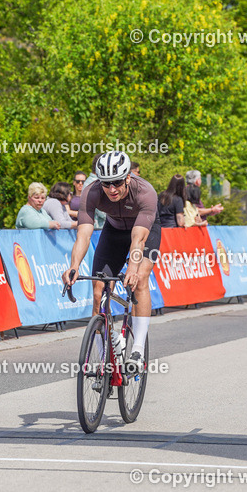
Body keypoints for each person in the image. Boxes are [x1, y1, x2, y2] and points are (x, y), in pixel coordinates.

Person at [63, 150, 158, 372]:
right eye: (106, 183)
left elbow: (139, 239)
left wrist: (132, 268)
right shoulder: (92, 192)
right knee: (98, 291)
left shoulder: (145, 192)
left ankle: (137, 349)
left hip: (145, 231)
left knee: (140, 278)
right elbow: (84, 234)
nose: (112, 189)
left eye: (116, 182)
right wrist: (74, 266)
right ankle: (104, 357)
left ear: (127, 177)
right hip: (114, 231)